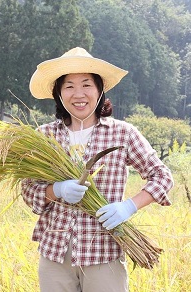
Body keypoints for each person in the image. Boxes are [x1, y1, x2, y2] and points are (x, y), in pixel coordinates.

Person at [21, 47, 174, 292]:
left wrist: (128, 206)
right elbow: (28, 190)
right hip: (55, 253)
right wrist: (56, 190)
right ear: (58, 93)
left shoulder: (122, 133)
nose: (78, 94)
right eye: (69, 86)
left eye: (86, 85)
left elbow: (162, 177)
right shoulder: (45, 136)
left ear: (100, 90)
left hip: (104, 252)